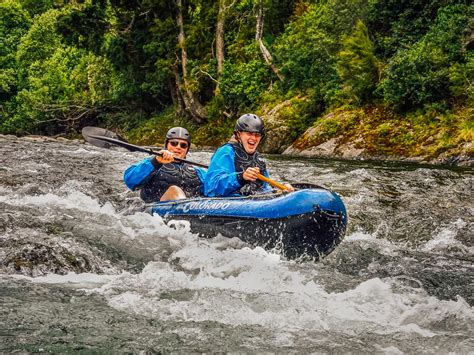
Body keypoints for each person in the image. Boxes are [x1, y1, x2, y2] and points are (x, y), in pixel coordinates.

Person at [204, 113, 294, 197]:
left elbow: (265, 188)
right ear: (238, 134)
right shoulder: (226, 152)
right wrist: (241, 177)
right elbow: (211, 187)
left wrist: (279, 189)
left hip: (253, 200)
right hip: (231, 201)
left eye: (257, 135)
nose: (254, 138)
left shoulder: (258, 158)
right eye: (249, 133)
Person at [124, 127, 206, 202]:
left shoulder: (197, 171)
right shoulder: (153, 163)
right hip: (156, 211)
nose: (178, 147)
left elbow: (213, 188)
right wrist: (156, 162)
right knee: (174, 190)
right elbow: (130, 181)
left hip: (193, 211)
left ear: (187, 149)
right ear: (166, 145)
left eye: (183, 145)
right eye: (174, 143)